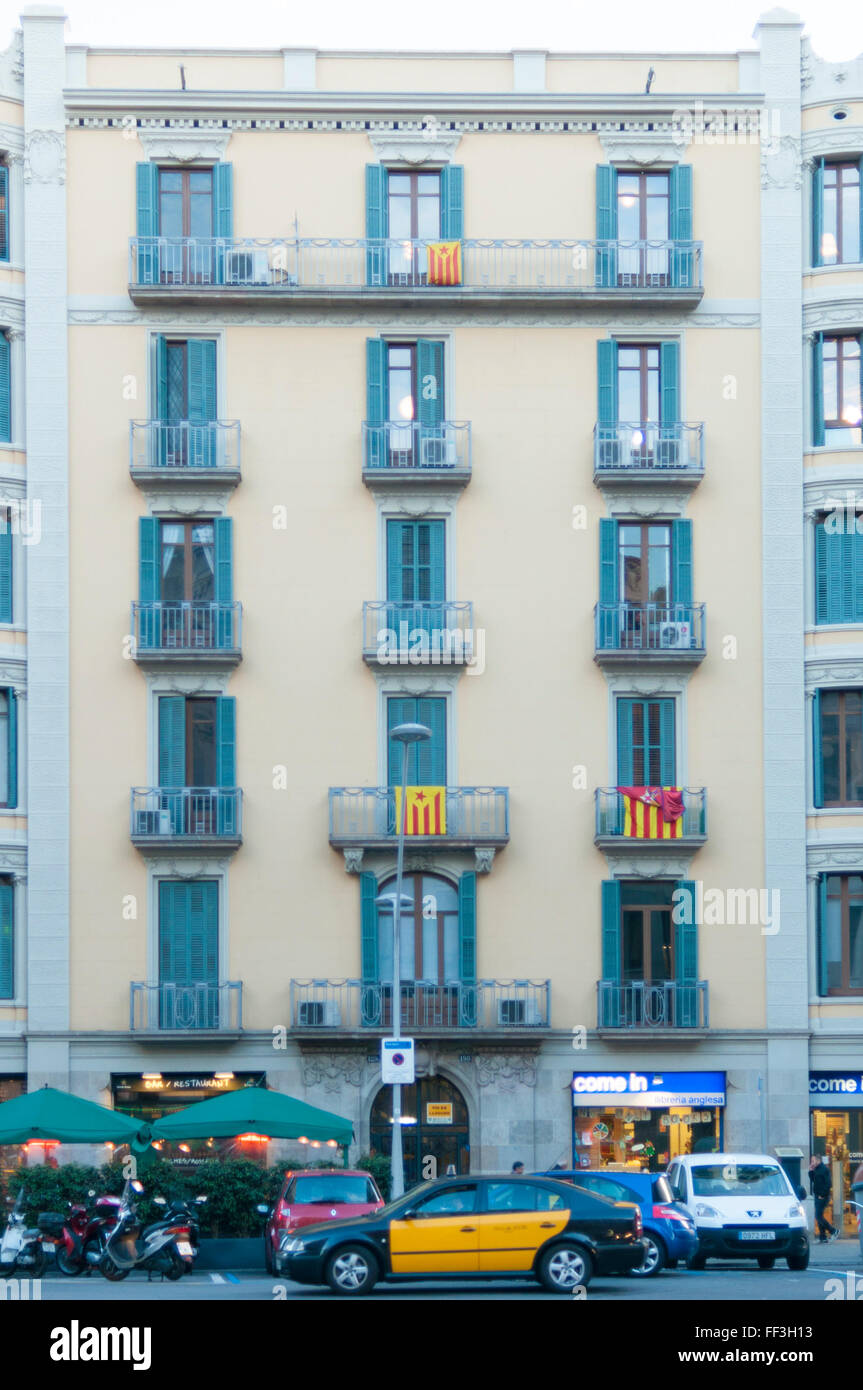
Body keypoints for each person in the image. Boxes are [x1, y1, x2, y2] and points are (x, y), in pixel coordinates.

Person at [811, 1156, 838, 1242]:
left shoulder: (824, 1169)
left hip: (822, 1196)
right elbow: (813, 1180)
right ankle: (823, 1237)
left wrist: (822, 1195)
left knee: (818, 1216)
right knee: (820, 1215)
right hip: (817, 1195)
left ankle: (834, 1231)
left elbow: (828, 1184)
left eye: (813, 1161)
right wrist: (810, 1171)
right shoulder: (816, 1169)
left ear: (818, 1161)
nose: (812, 1162)